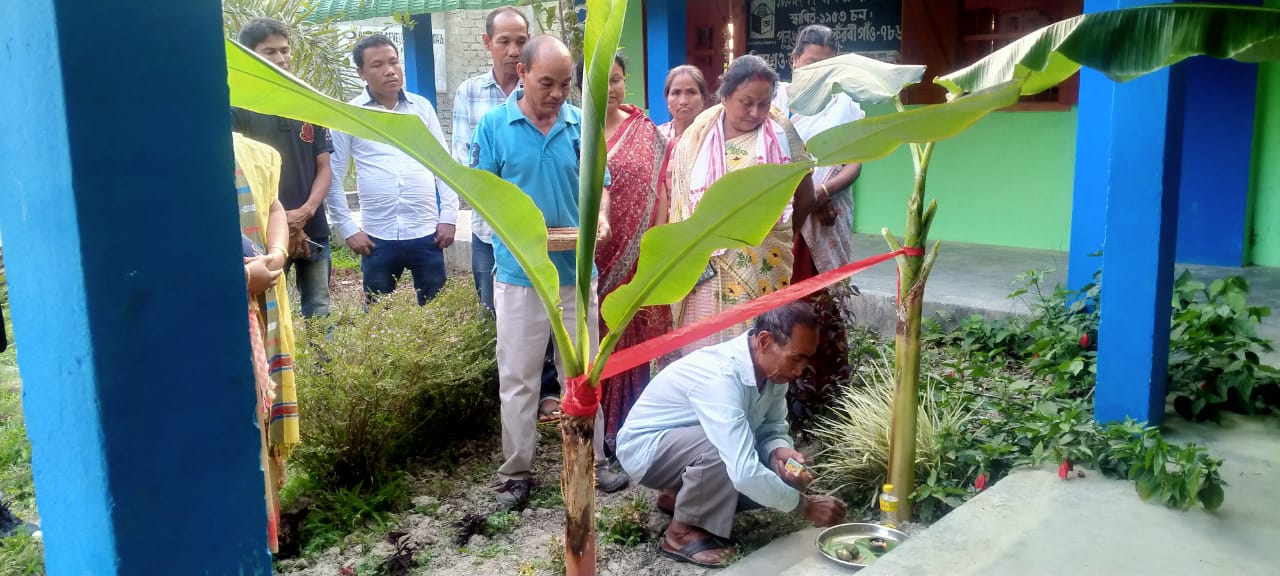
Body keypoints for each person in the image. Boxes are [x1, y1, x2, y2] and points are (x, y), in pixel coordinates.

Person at [469, 35, 629, 509]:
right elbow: (482, 196)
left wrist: (599, 217)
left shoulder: (581, 125)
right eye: (546, 83)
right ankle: (516, 473)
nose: (558, 94)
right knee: (518, 378)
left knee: (581, 373)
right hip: (519, 275)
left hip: (576, 275)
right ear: (521, 73)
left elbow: (600, 185)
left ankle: (594, 462)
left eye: (565, 84)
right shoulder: (494, 127)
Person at [616, 303, 848, 568]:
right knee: (728, 453)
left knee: (765, 470)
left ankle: (679, 497)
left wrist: (777, 452)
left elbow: (772, 428)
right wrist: (804, 506)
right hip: (644, 449)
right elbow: (744, 472)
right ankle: (679, 535)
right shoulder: (722, 376)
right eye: (796, 358)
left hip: (683, 446)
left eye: (806, 360)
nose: (799, 371)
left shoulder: (772, 374)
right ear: (764, 340)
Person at [667, 54, 828, 352]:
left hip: (759, 267)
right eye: (746, 102)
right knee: (700, 352)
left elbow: (805, 195)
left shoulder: (782, 133)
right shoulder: (698, 134)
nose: (756, 112)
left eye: (764, 103)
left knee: (751, 350)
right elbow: (678, 192)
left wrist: (774, 237)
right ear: (725, 96)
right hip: (703, 268)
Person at [451, 7, 562, 421]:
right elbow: (466, 164)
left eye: (520, 39)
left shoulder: (554, 95)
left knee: (556, 313)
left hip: (555, 237)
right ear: (487, 44)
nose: (513, 48)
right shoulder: (470, 93)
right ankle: (509, 397)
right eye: (504, 40)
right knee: (502, 317)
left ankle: (548, 392)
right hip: (493, 234)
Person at [326, 34, 458, 305]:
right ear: (361, 72)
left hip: (427, 233)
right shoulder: (350, 115)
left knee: (438, 312)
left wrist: (449, 216)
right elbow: (333, 174)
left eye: (394, 62)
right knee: (376, 316)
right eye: (377, 65)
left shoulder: (421, 109)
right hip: (377, 237)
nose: (389, 71)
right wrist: (349, 229)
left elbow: (443, 165)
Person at [780, 25, 867, 424]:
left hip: (827, 218)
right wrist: (804, 199)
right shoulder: (777, 103)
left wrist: (823, 194)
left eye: (827, 64)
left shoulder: (844, 105)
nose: (818, 70)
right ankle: (782, 387)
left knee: (822, 303)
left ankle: (827, 391)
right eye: (811, 62)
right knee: (785, 300)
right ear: (795, 61)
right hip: (785, 217)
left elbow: (854, 162)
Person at [232, 18, 336, 319]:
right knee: (269, 312)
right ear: (249, 55)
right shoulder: (236, 105)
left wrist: (305, 213)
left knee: (320, 310)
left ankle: (326, 369)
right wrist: (284, 223)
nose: (281, 58)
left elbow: (325, 166)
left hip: (313, 227)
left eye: (285, 50)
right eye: (270, 52)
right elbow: (240, 170)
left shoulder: (307, 100)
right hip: (263, 235)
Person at [596, 53, 672, 454]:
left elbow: (659, 189)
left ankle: (631, 428)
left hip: (637, 254)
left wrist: (652, 244)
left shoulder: (645, 131)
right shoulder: (578, 131)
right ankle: (595, 428)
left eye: (618, 79)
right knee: (597, 336)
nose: (611, 89)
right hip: (593, 258)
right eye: (602, 81)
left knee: (631, 333)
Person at [232, 132, 300, 554]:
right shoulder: (171, 156)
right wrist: (241, 278)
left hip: (263, 298)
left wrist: (276, 250)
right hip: (219, 321)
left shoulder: (252, 153)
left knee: (261, 419)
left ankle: (266, 541)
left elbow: (274, 203)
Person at [656, 65, 709, 141]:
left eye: (691, 92)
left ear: (703, 99)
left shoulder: (713, 136)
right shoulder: (656, 137)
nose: (683, 101)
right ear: (667, 99)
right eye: (676, 93)